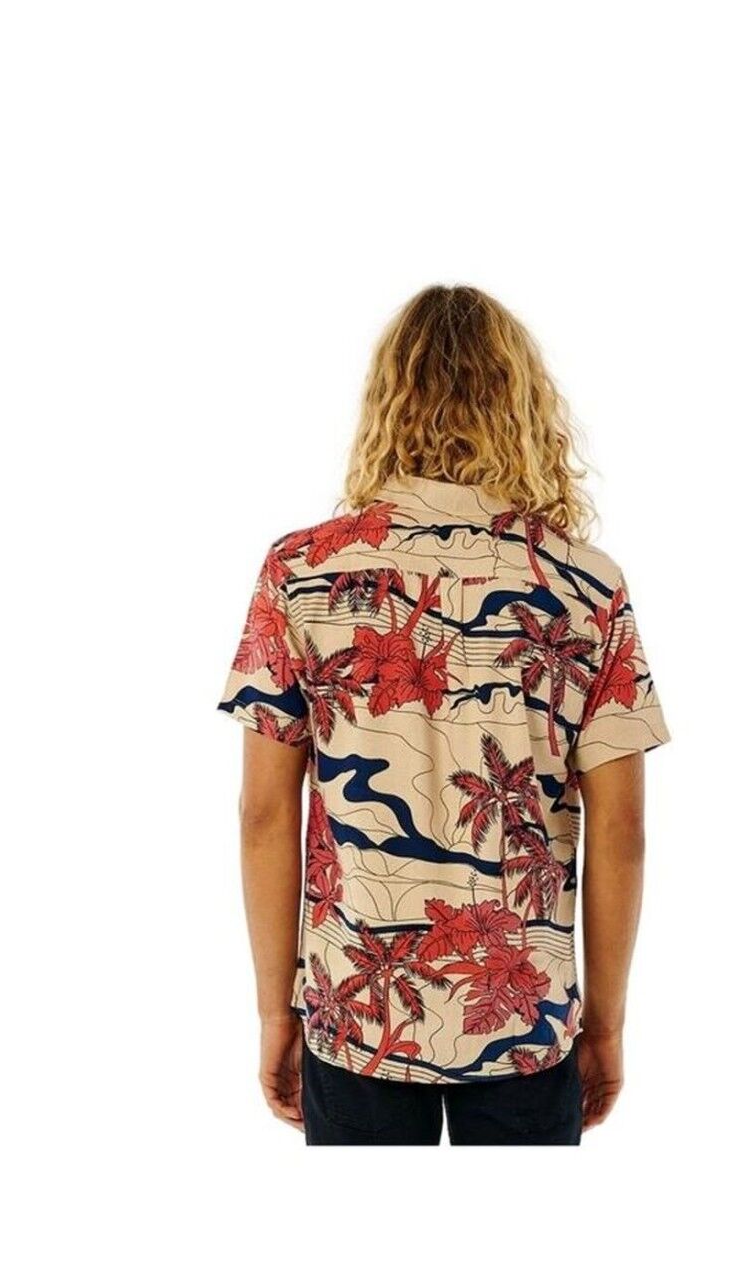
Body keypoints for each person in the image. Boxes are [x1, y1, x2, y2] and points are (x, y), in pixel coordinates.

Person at [217, 286, 670, 1145]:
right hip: (526, 1019)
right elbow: (622, 829)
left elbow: (265, 813)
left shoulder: (303, 572)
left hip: (358, 1017)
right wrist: (605, 1024)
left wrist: (277, 1010)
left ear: (387, 402)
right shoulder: (584, 586)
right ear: (522, 404)